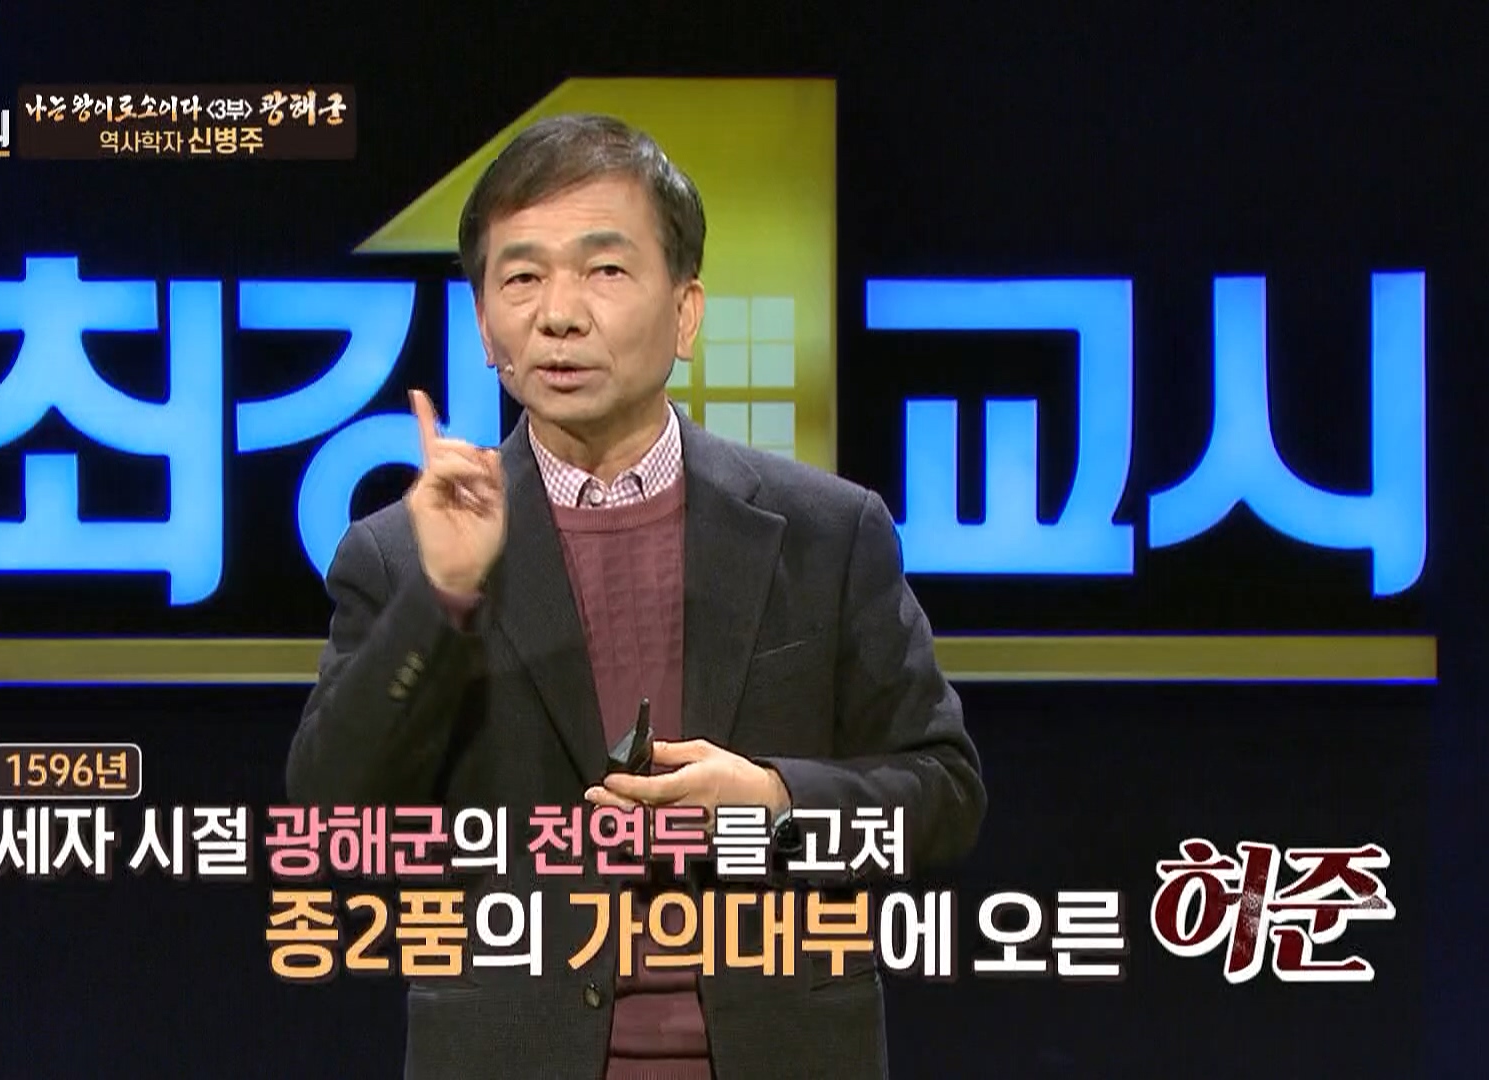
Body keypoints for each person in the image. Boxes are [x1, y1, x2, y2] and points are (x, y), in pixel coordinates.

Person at [286, 112, 985, 1080]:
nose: (559, 315)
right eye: (521, 278)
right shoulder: (400, 554)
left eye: (605, 270)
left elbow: (945, 795)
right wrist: (440, 598)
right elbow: (332, 826)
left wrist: (774, 803)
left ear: (686, 313)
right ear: (484, 325)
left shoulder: (827, 532)